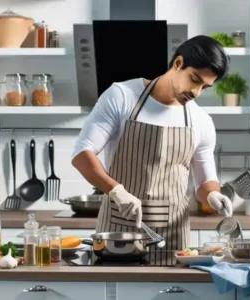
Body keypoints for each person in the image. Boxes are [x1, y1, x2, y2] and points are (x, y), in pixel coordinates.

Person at [71, 35, 233, 264]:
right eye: (194, 79)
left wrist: (214, 195)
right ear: (178, 64)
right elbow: (81, 154)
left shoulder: (201, 121)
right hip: (120, 232)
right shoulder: (121, 96)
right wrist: (117, 191)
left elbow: (205, 182)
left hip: (173, 237)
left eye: (205, 87)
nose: (196, 92)